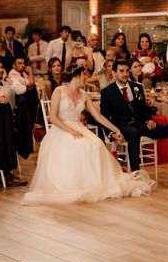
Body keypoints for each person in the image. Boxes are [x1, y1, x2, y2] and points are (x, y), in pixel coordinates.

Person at [23, 64, 155, 204]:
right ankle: (78, 183)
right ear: (77, 76)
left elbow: (98, 116)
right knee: (81, 146)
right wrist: (71, 130)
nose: (86, 77)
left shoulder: (84, 94)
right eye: (83, 75)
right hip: (62, 129)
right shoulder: (59, 91)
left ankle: (95, 182)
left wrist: (116, 129)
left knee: (96, 143)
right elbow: (53, 118)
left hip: (79, 127)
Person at [100, 59, 168, 185]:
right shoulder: (107, 92)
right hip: (123, 128)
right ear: (114, 73)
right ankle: (136, 176)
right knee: (134, 133)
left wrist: (149, 119)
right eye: (121, 71)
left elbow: (144, 108)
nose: (125, 74)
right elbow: (104, 117)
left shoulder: (136, 87)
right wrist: (111, 133)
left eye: (127, 71)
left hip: (142, 124)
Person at [9, 56, 39, 129]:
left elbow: (31, 83)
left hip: (27, 97)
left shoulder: (22, 73)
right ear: (13, 65)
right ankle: (30, 125)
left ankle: (33, 123)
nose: (23, 65)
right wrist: (31, 71)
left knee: (34, 94)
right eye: (19, 63)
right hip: (20, 99)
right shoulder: (13, 74)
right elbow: (31, 83)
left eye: (23, 63)